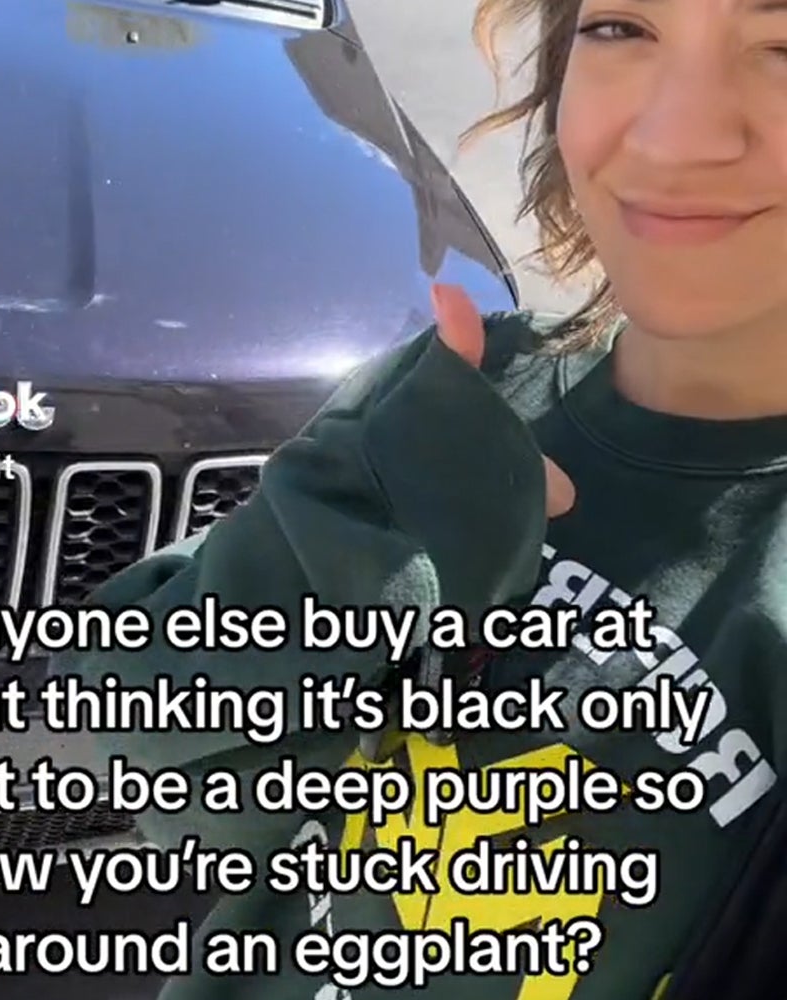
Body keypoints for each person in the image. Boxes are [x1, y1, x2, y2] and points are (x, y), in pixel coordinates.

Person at [52, 0, 787, 997]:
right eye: (618, 27)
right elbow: (169, 778)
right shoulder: (463, 387)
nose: (674, 136)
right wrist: (342, 551)